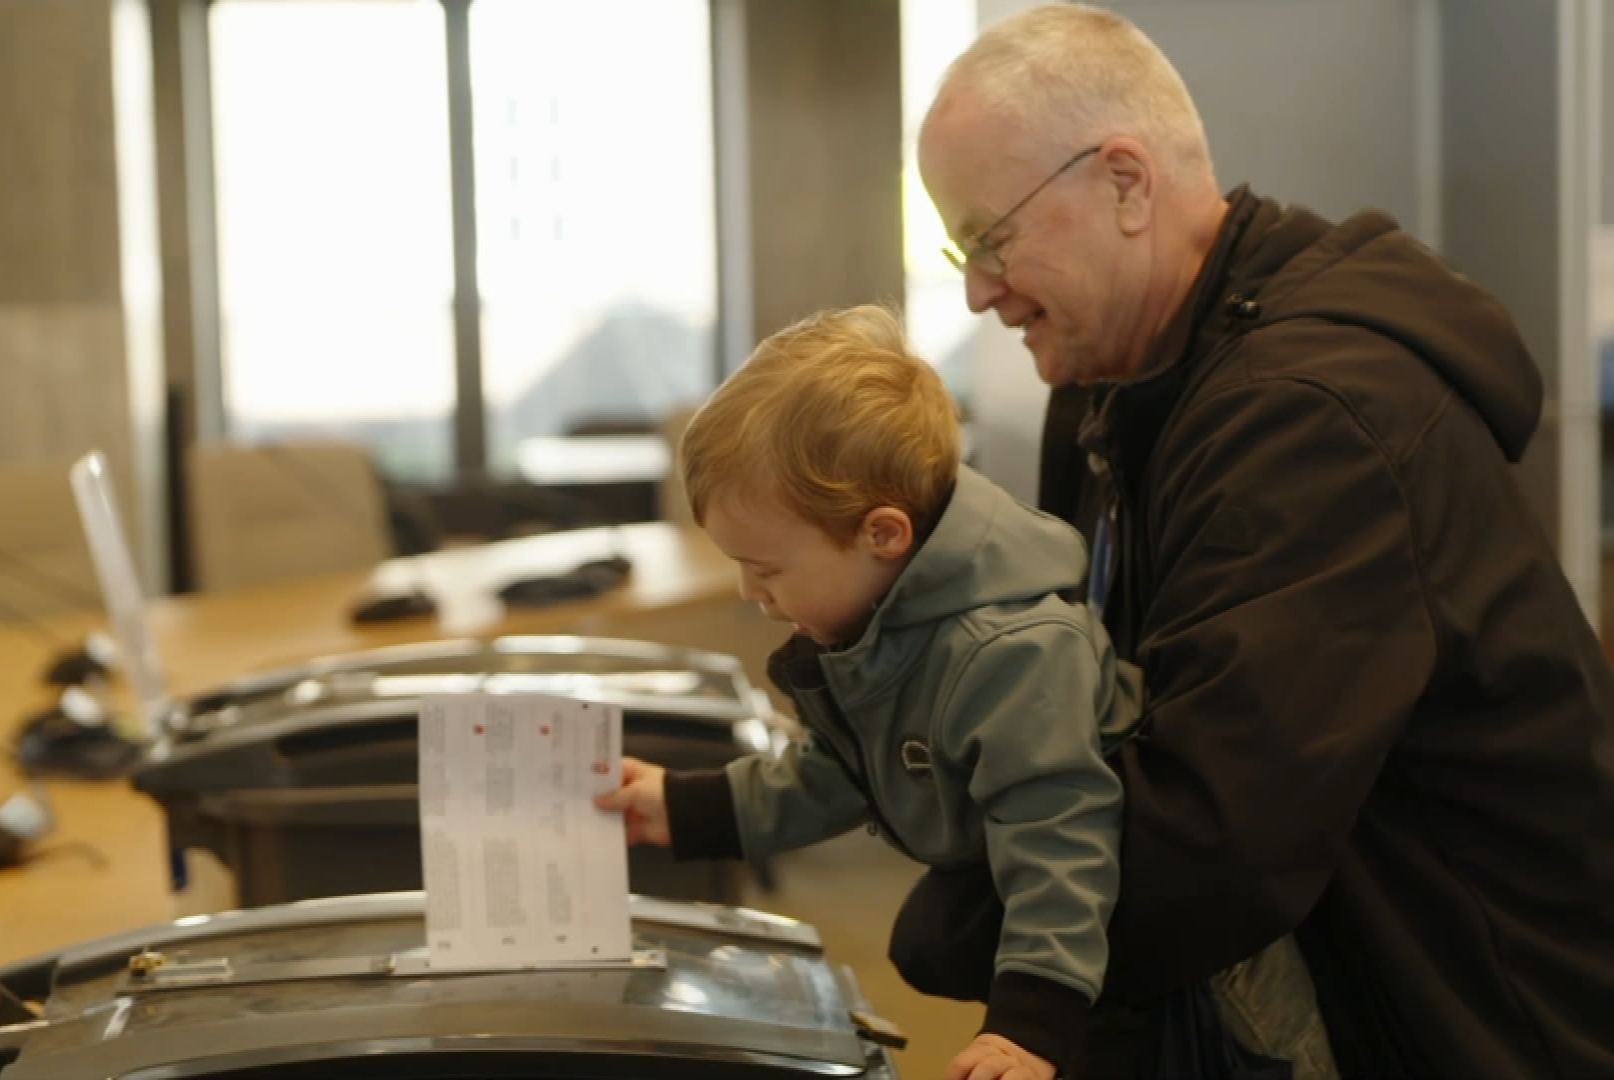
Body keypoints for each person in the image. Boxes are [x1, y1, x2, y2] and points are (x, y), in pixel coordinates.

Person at [893, 4, 1614, 1078]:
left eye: (992, 239)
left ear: (1126, 184)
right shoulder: (1109, 390)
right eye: (961, 249)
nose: (977, 290)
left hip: (1465, 1020)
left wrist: (945, 920)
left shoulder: (1310, 419)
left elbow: (1209, 837)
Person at [597, 302, 1271, 1080]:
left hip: (1120, 947)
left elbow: (1059, 841)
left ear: (882, 535)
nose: (752, 593)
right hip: (1034, 907)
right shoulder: (882, 625)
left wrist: (1032, 1027)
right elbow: (838, 769)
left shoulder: (1014, 656)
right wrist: (685, 806)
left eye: (769, 568)